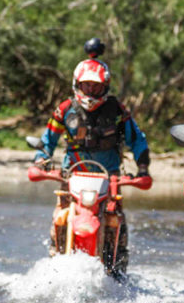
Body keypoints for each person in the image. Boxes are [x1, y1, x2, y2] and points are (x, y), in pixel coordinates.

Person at [33, 38, 151, 264]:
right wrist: (41, 160)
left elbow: (136, 139)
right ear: (78, 84)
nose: (92, 90)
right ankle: (54, 261)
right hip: (71, 175)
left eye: (96, 86)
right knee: (59, 219)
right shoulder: (65, 109)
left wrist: (142, 167)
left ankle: (118, 270)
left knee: (118, 226)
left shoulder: (116, 109)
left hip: (109, 178)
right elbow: (47, 139)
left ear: (105, 86)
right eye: (87, 85)